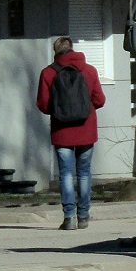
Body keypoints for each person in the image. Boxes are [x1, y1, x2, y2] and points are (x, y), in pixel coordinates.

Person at [36, 37, 106, 230]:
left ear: (55, 52)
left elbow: (42, 104)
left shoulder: (48, 73)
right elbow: (100, 100)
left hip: (62, 130)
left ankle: (69, 218)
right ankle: (83, 216)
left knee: (66, 174)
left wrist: (60, 110)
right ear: (72, 49)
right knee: (84, 173)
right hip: (86, 129)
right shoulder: (89, 71)